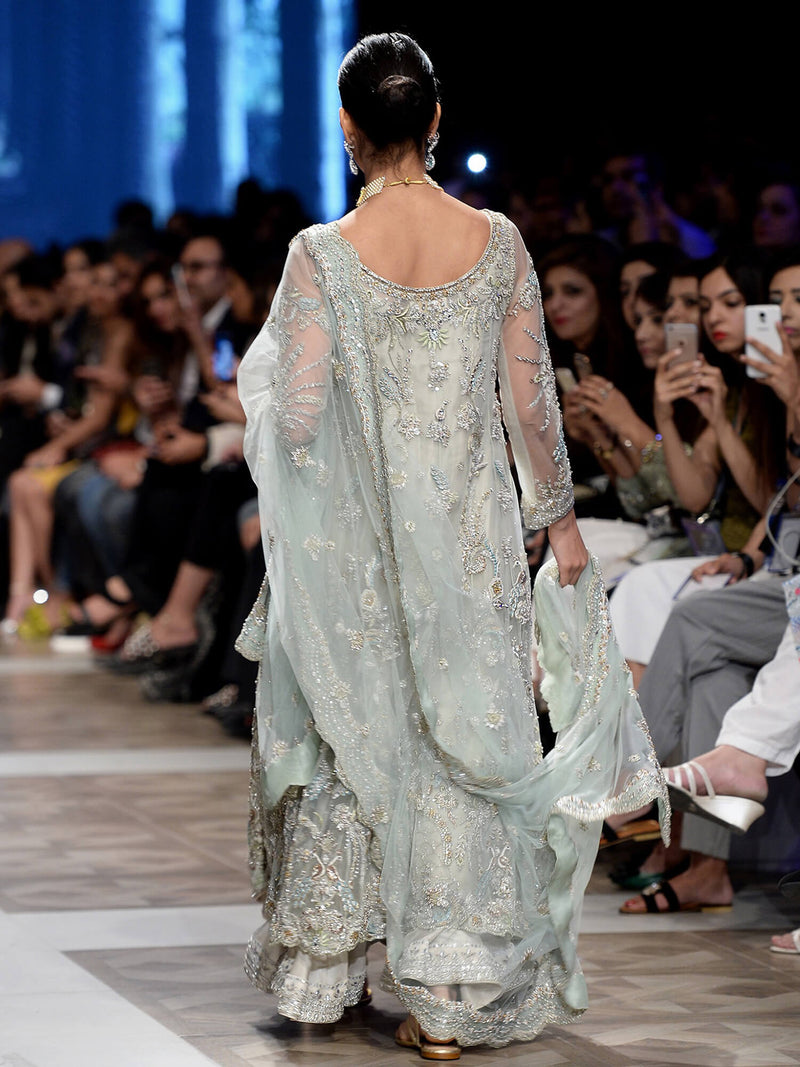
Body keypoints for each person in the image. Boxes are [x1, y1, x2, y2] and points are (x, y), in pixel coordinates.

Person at [235, 31, 667, 1059]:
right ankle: (449, 989)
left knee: (355, 728)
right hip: (470, 542)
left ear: (347, 125)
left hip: (360, 547)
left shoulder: (320, 254)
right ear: (434, 120)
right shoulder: (499, 241)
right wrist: (558, 519)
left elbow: (297, 417)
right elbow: (530, 402)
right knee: (460, 737)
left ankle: (328, 969)